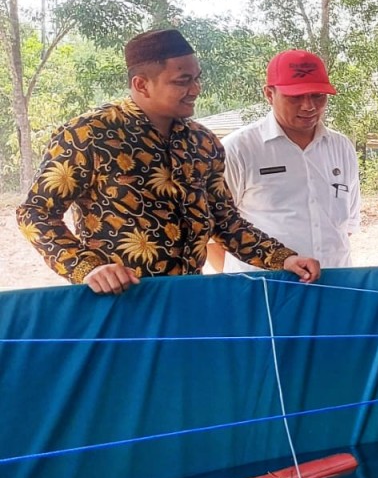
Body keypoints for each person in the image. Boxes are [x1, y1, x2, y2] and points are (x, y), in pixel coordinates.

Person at [16, 28, 321, 295]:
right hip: (118, 305)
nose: (195, 89)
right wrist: (86, 267)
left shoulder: (203, 143)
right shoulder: (89, 134)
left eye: (197, 78)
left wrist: (282, 258)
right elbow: (35, 212)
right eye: (182, 81)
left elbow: (225, 221)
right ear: (141, 84)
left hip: (188, 301)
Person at [207, 49, 360, 273]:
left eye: (318, 95)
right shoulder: (238, 149)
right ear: (269, 94)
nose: (309, 106)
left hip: (335, 286)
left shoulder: (341, 147)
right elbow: (214, 235)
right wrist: (241, 285)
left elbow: (346, 225)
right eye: (296, 97)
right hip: (264, 293)